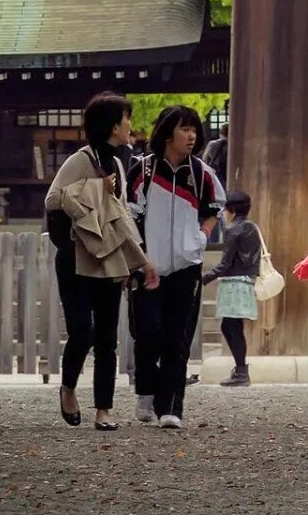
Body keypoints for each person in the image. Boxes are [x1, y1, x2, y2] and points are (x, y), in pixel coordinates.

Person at [47, 92, 156, 429]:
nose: (130, 126)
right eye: (126, 119)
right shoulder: (80, 160)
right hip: (76, 259)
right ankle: (68, 387)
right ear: (112, 125)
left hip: (108, 260)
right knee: (82, 332)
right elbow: (53, 199)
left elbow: (120, 217)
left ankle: (104, 409)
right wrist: (96, 188)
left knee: (108, 337)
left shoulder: (120, 165)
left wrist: (141, 262)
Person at [128, 103, 223, 429]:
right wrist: (140, 258)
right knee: (148, 332)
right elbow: (130, 216)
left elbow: (214, 209)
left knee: (177, 338)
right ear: (168, 133)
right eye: (185, 128)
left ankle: (172, 407)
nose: (192, 135)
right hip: (147, 265)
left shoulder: (201, 173)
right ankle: (146, 390)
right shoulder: (143, 171)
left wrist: (201, 236)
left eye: (194, 129)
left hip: (187, 265)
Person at [205, 189, 263, 388]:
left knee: (231, 327)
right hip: (246, 281)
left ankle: (241, 371)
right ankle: (240, 370)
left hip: (232, 283)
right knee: (233, 327)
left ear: (230, 209)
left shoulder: (232, 230)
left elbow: (225, 263)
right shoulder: (252, 227)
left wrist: (205, 277)